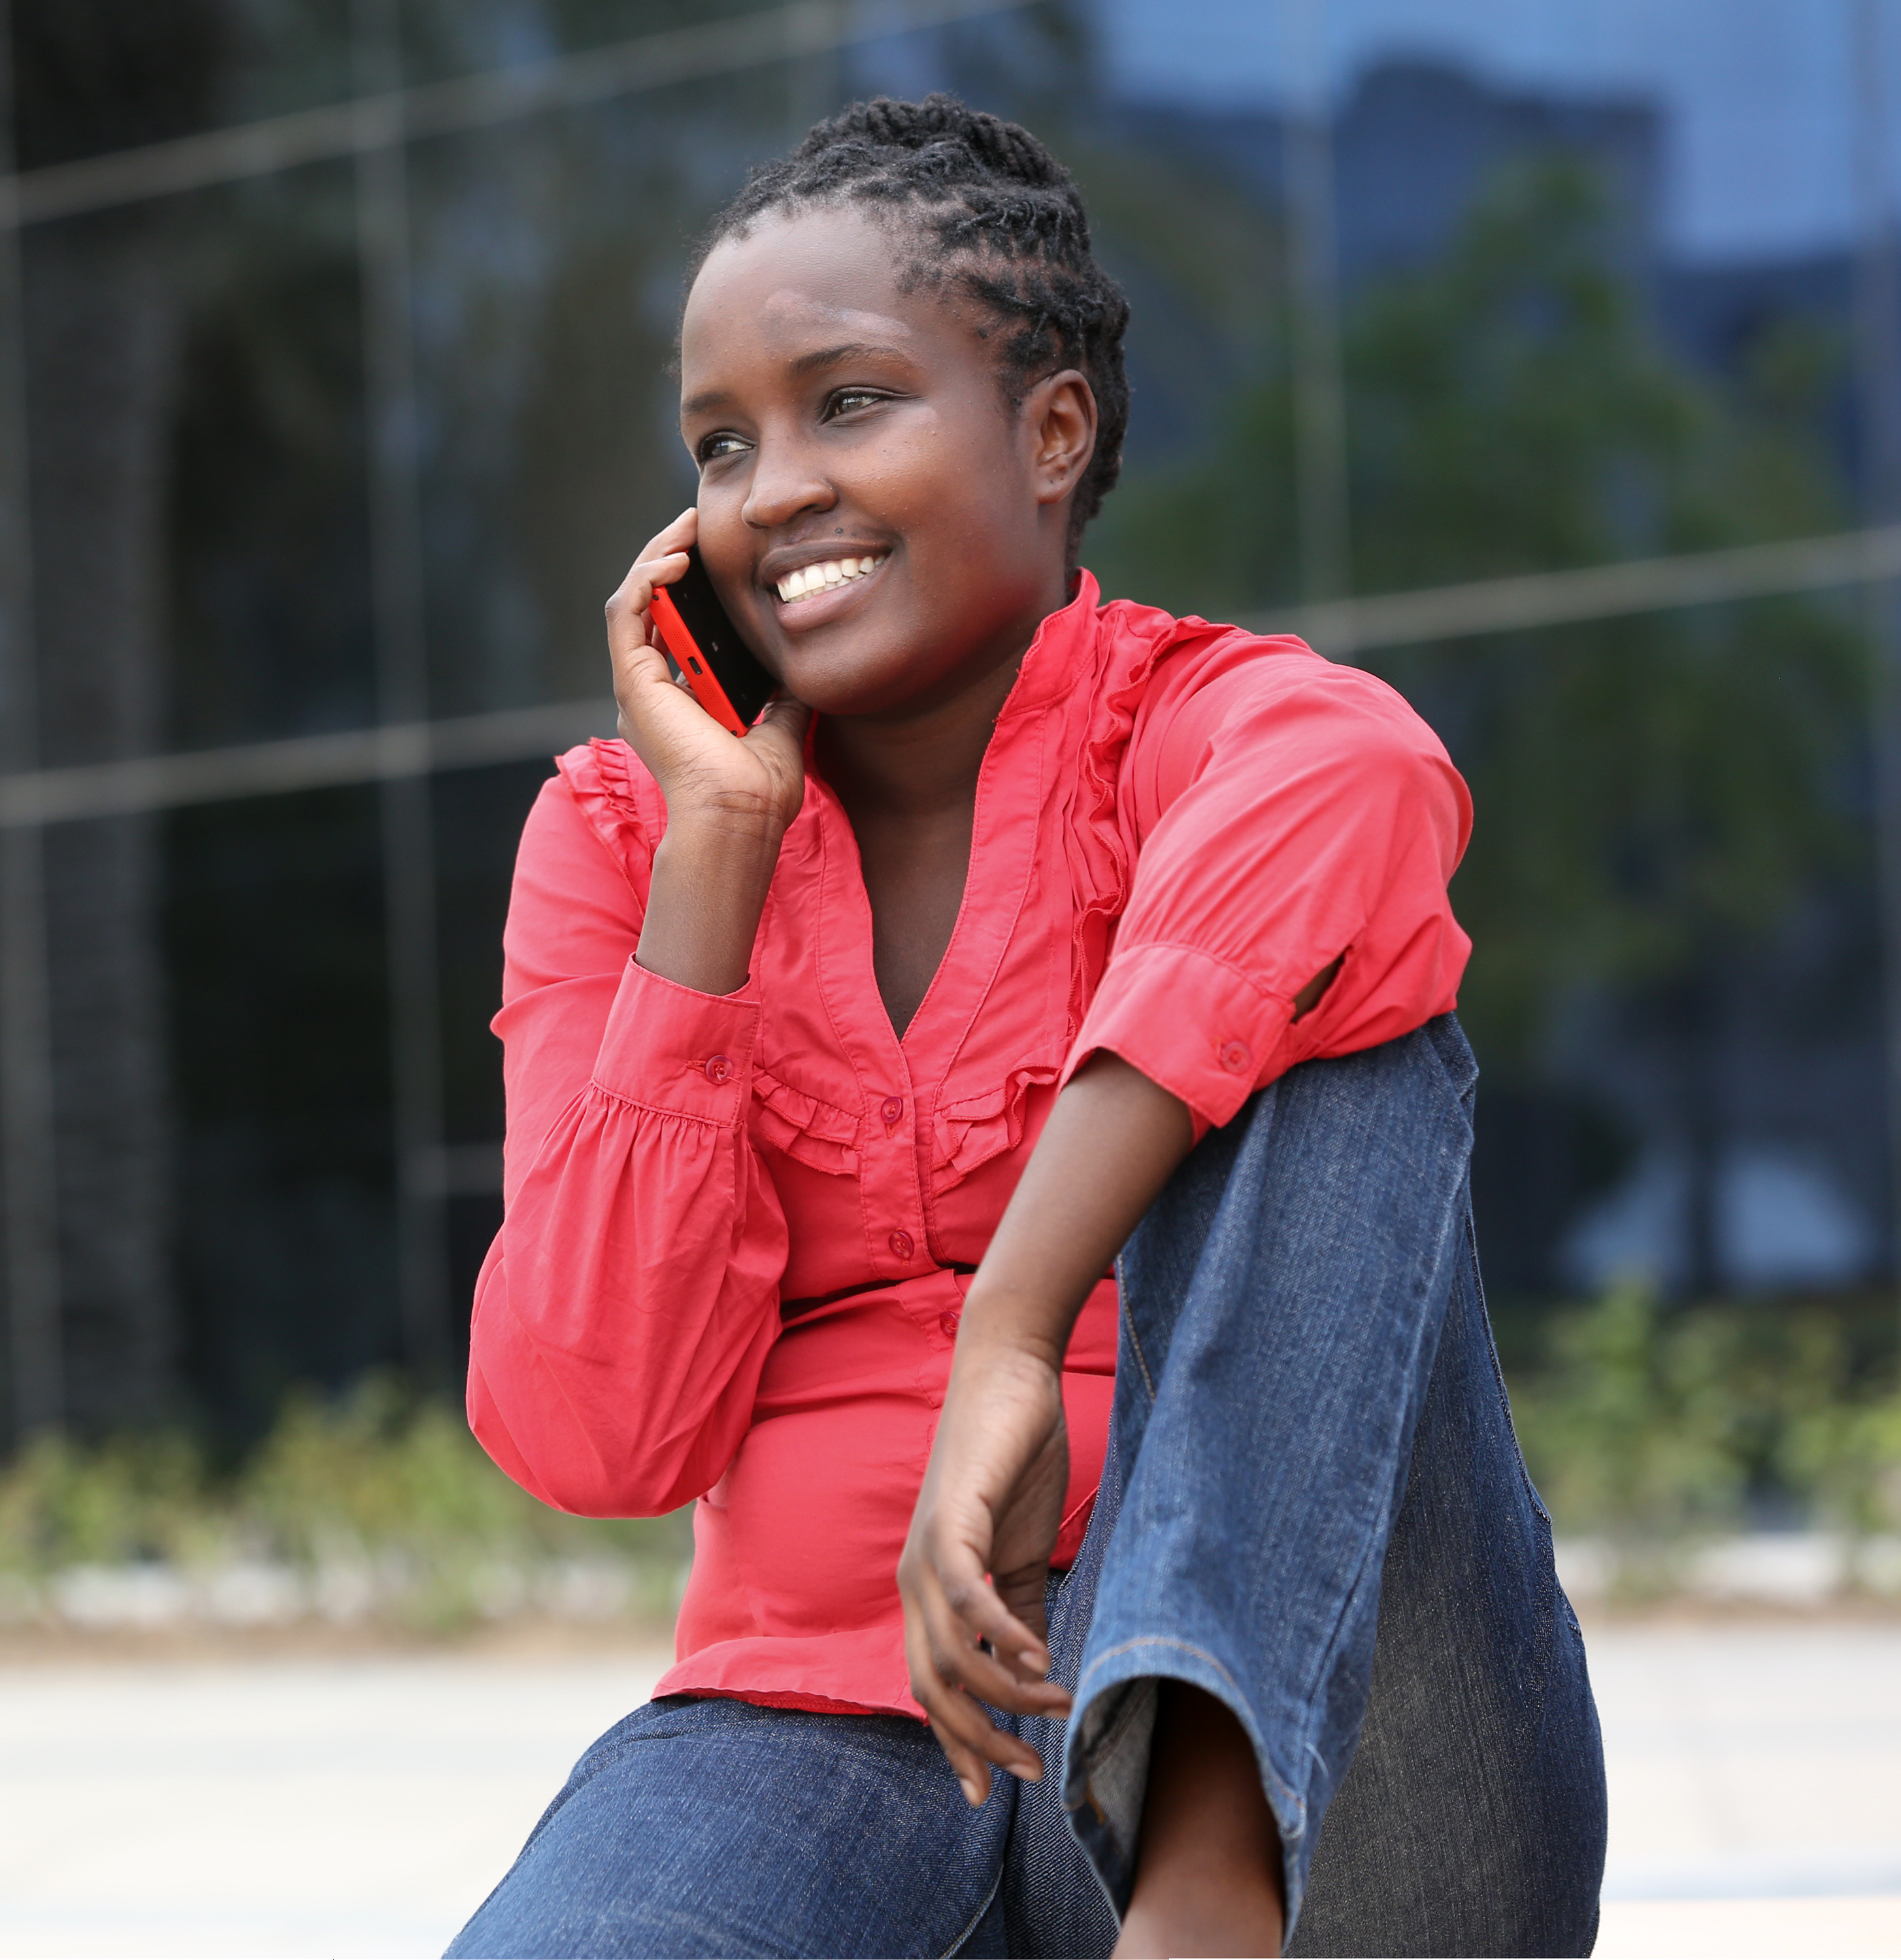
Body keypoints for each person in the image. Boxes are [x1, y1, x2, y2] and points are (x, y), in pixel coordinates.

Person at [448, 96, 1605, 1959]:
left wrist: (1017, 1318)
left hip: (1337, 1757)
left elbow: (1368, 779)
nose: (772, 492)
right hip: (804, 1731)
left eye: (849, 402)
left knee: (1348, 1014)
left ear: (1051, 429)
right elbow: (598, 1435)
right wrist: (718, 858)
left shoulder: (1201, 734)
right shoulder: (622, 835)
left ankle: (1208, 1864)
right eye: (721, 444)